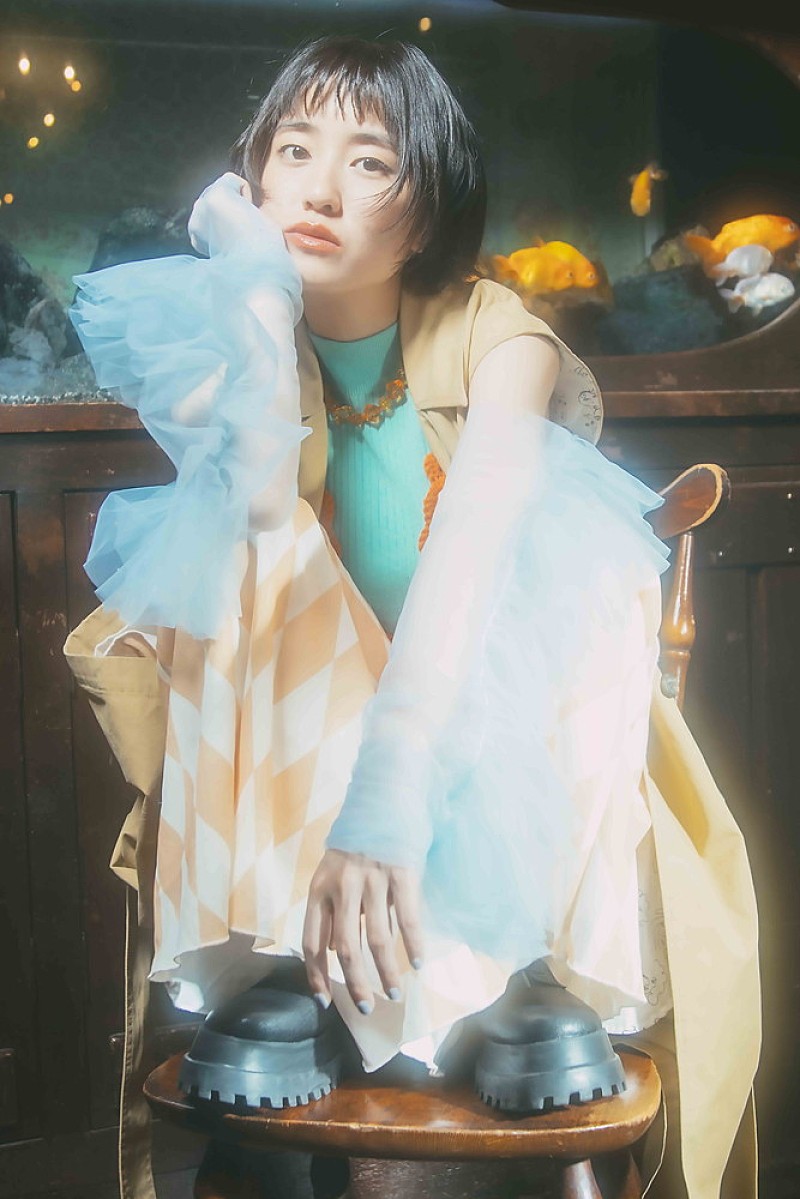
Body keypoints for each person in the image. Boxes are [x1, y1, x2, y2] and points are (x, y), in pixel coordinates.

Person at [63, 35, 760, 1199]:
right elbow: (247, 510)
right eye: (292, 151)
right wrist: (251, 301)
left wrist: (385, 794)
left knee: (590, 580)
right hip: (303, 741)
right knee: (248, 548)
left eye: (370, 162)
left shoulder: (498, 335)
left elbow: (472, 554)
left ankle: (518, 968)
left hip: (481, 705)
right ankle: (289, 963)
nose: (318, 190)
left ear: (426, 208)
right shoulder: (234, 335)